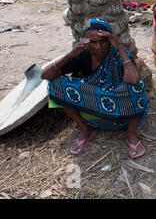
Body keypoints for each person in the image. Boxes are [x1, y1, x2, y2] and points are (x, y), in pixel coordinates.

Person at [41, 18, 149, 158]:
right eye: (93, 42)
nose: (98, 47)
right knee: (55, 83)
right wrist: (70, 55)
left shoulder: (117, 55)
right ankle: (85, 130)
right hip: (93, 113)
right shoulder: (83, 55)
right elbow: (45, 75)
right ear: (86, 42)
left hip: (122, 114)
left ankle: (131, 135)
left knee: (135, 87)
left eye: (103, 41)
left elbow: (134, 79)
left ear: (109, 41)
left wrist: (119, 47)